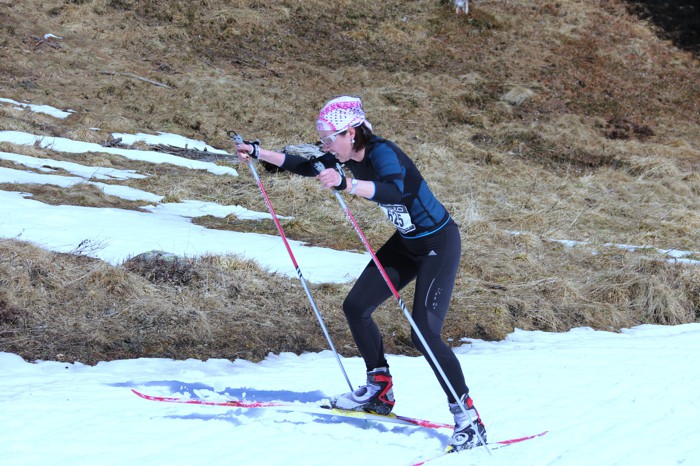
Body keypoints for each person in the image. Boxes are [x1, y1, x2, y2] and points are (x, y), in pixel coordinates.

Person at [235, 96, 486, 451]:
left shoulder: (383, 153)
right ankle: (379, 390)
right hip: (406, 244)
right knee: (356, 307)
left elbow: (395, 190)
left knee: (424, 335)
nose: (325, 145)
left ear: (350, 133)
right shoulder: (345, 155)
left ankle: (469, 420)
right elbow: (307, 165)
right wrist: (258, 152)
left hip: (438, 245)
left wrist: (347, 185)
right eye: (323, 139)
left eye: (329, 138)